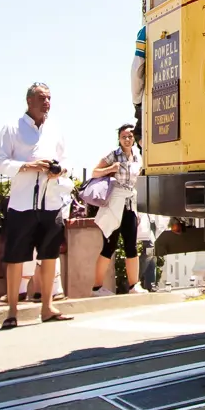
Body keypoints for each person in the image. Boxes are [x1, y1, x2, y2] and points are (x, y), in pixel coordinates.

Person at [0, 82, 73, 327]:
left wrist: (59, 170)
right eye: (42, 98)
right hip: (22, 204)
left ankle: (47, 308)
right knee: (16, 257)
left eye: (49, 98)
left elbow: (66, 160)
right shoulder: (12, 128)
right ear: (29, 101)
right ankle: (12, 312)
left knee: (50, 256)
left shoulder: (55, 129)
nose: (46, 103)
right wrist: (27, 166)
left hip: (50, 203)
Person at [89, 124, 146, 295]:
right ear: (119, 139)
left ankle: (133, 285)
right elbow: (94, 172)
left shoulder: (138, 157)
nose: (127, 139)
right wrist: (110, 169)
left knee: (131, 246)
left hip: (130, 204)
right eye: (123, 136)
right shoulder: (113, 155)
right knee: (109, 245)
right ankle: (97, 287)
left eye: (130, 136)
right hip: (114, 204)